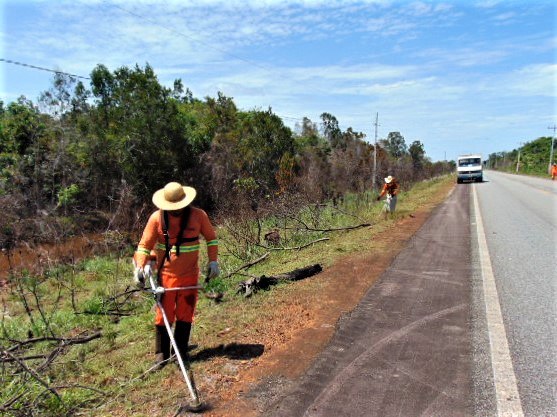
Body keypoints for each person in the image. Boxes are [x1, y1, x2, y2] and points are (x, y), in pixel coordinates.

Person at [133, 182, 219, 369]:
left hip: (189, 276)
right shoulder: (157, 218)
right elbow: (144, 246)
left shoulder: (198, 216)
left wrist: (213, 261)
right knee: (163, 314)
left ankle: (180, 351)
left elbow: (211, 239)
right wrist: (140, 267)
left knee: (185, 313)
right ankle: (161, 354)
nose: (176, 211)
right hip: (166, 277)